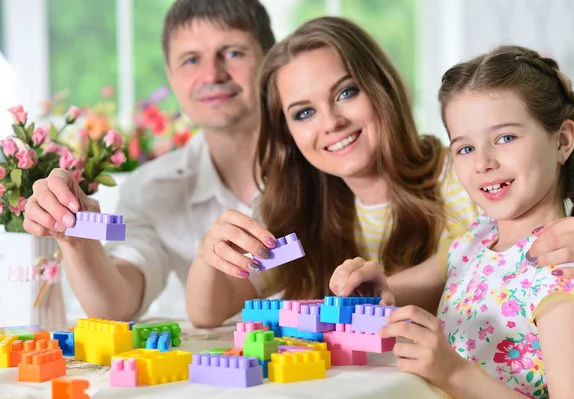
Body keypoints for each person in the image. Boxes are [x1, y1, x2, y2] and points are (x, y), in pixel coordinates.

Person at [331, 45, 574, 399]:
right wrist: (375, 289)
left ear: (562, 141)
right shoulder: (477, 241)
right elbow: (398, 288)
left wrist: (452, 371)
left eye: (505, 138)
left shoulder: (564, 276)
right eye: (465, 148)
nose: (482, 162)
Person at [188, 16, 484, 327]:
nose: (331, 123)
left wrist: (378, 295)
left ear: (381, 86)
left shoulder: (465, 170)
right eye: (304, 113)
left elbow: (470, 264)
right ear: (287, 134)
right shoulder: (299, 214)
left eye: (346, 93)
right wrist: (208, 256)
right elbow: (206, 313)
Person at [22, 0, 276, 322]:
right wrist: (73, 237)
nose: (212, 73)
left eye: (234, 53)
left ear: (271, 61)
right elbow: (118, 305)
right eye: (192, 59)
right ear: (171, 76)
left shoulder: (325, 161)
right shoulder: (152, 188)